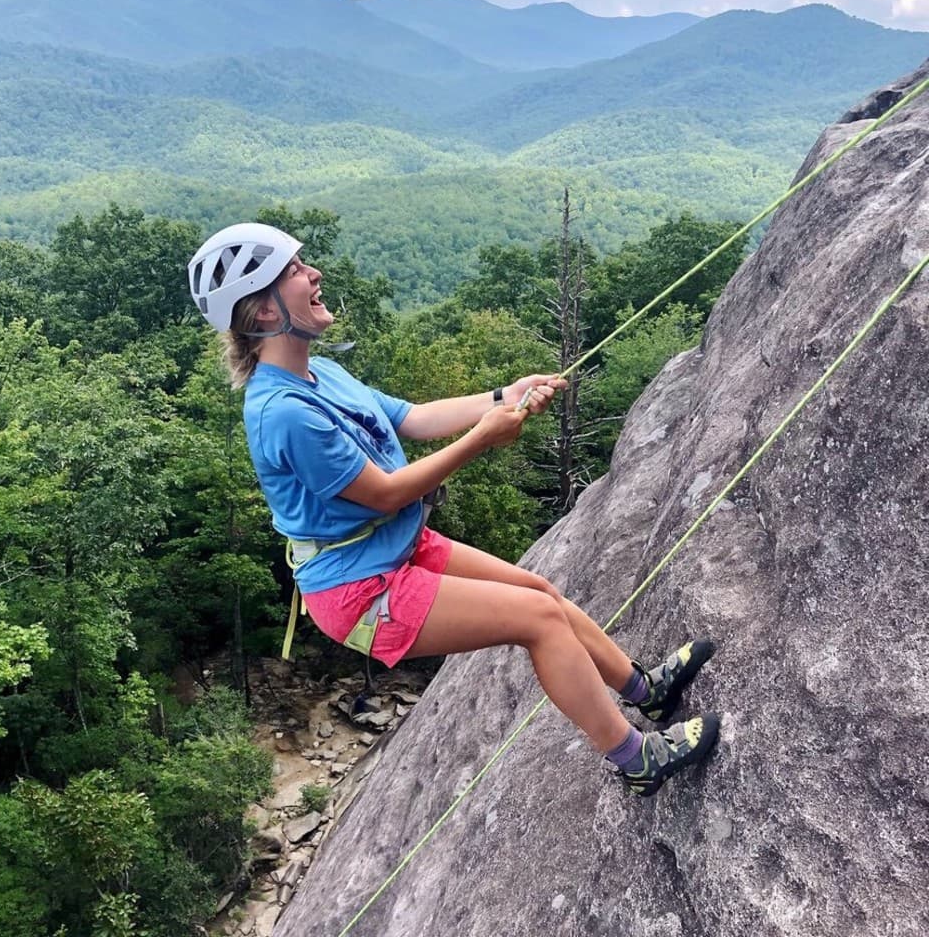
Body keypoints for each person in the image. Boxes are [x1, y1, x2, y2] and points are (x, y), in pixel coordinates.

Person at [188, 223, 720, 797]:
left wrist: (503, 396)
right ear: (265, 313)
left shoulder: (320, 373)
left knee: (540, 593)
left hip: (392, 547)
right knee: (538, 622)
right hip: (360, 587)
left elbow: (412, 418)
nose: (313, 274)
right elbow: (387, 492)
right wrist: (481, 439)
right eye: (294, 271)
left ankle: (647, 689)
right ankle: (634, 757)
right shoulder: (283, 412)